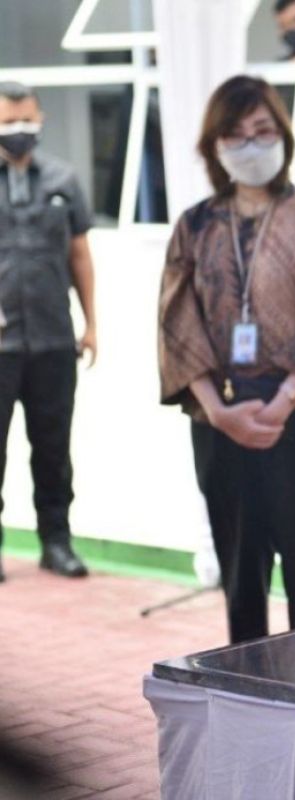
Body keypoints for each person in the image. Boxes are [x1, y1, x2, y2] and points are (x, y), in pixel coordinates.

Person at [158, 75, 295, 643]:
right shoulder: (195, 225)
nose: (250, 145)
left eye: (263, 131)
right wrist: (218, 412)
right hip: (220, 417)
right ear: (214, 145)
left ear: (285, 137)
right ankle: (248, 704)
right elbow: (177, 321)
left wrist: (285, 398)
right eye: (236, 134)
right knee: (240, 580)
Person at [0, 81, 96, 582]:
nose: (19, 131)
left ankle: (55, 542)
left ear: (40, 119)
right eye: (8, 122)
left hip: (55, 336)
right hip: (1, 342)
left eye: (25, 120)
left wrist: (92, 323)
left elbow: (79, 253)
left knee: (54, 446)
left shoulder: (63, 177)